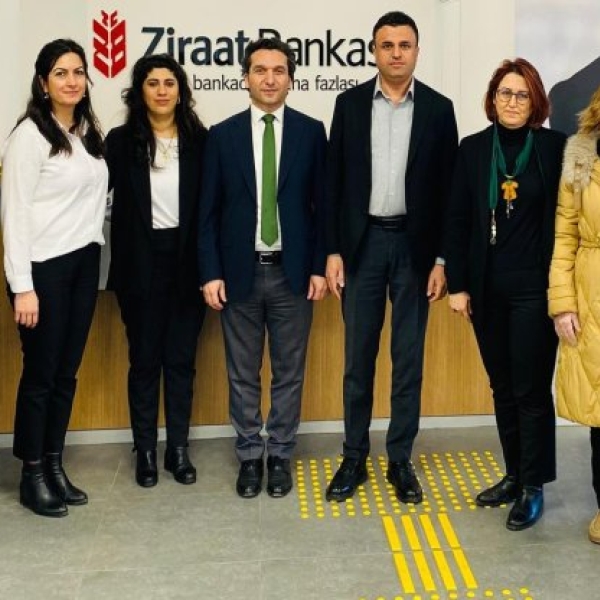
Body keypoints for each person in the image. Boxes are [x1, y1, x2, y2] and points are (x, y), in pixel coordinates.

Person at [325, 11, 458, 504]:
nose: (396, 53)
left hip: (414, 250)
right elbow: (334, 183)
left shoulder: (439, 110)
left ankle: (400, 458)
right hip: (361, 248)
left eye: (405, 45)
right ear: (374, 52)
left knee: (408, 361)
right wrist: (333, 250)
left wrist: (442, 259)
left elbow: (448, 191)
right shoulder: (349, 104)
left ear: (417, 51)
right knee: (357, 360)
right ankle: (354, 456)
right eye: (387, 45)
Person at [198, 38, 327, 499]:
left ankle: (281, 455)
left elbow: (323, 207)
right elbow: (208, 212)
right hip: (240, 274)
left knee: (290, 371)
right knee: (242, 372)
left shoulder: (311, 132)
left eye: (278, 70)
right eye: (260, 70)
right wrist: (210, 272)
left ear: (291, 78)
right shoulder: (222, 135)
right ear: (245, 78)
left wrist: (318, 267)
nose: (269, 79)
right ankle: (251, 454)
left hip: (294, 274)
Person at [445, 58, 566, 531]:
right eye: (505, 93)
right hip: (486, 291)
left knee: (530, 390)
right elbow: (457, 220)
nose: (512, 102)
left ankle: (534, 485)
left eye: (522, 95)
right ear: (492, 99)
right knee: (501, 387)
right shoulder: (473, 149)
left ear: (535, 102)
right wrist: (458, 285)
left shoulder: (555, 148)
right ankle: (514, 474)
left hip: (535, 291)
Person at [0, 39, 107, 517]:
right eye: (61, 73)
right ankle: (32, 474)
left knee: (66, 372)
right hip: (43, 270)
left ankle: (54, 464)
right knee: (41, 375)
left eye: (79, 72)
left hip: (83, 263)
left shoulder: (86, 133)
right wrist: (22, 285)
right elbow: (14, 214)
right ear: (43, 82)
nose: (72, 81)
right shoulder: (29, 136)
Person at [106, 54, 207, 488]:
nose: (162, 90)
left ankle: (177, 449)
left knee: (181, 361)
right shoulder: (119, 141)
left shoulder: (200, 140)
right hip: (139, 266)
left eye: (170, 82)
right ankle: (145, 449)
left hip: (187, 264)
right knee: (144, 360)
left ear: (181, 91)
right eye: (153, 83)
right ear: (140, 91)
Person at [548, 85, 600, 544]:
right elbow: (565, 237)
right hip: (591, 294)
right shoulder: (581, 155)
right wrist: (563, 303)